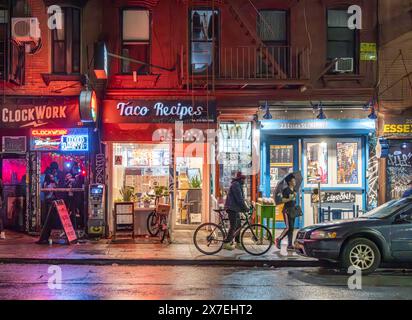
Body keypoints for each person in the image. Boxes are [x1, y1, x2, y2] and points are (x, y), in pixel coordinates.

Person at [223, 172, 250, 251]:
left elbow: (242, 198)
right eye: (243, 179)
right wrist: (245, 208)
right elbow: (239, 199)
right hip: (232, 208)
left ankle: (237, 243)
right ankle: (226, 243)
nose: (244, 181)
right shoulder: (236, 185)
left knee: (238, 226)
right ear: (240, 179)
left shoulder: (239, 185)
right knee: (233, 226)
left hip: (235, 209)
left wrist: (246, 207)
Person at [275, 175, 298, 251]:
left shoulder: (294, 190)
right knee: (288, 227)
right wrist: (289, 199)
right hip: (287, 210)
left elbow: (294, 200)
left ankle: (290, 244)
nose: (294, 182)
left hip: (293, 210)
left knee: (291, 228)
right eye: (293, 181)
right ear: (289, 182)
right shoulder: (286, 190)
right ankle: (279, 239)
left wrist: (294, 196)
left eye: (294, 180)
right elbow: (283, 200)